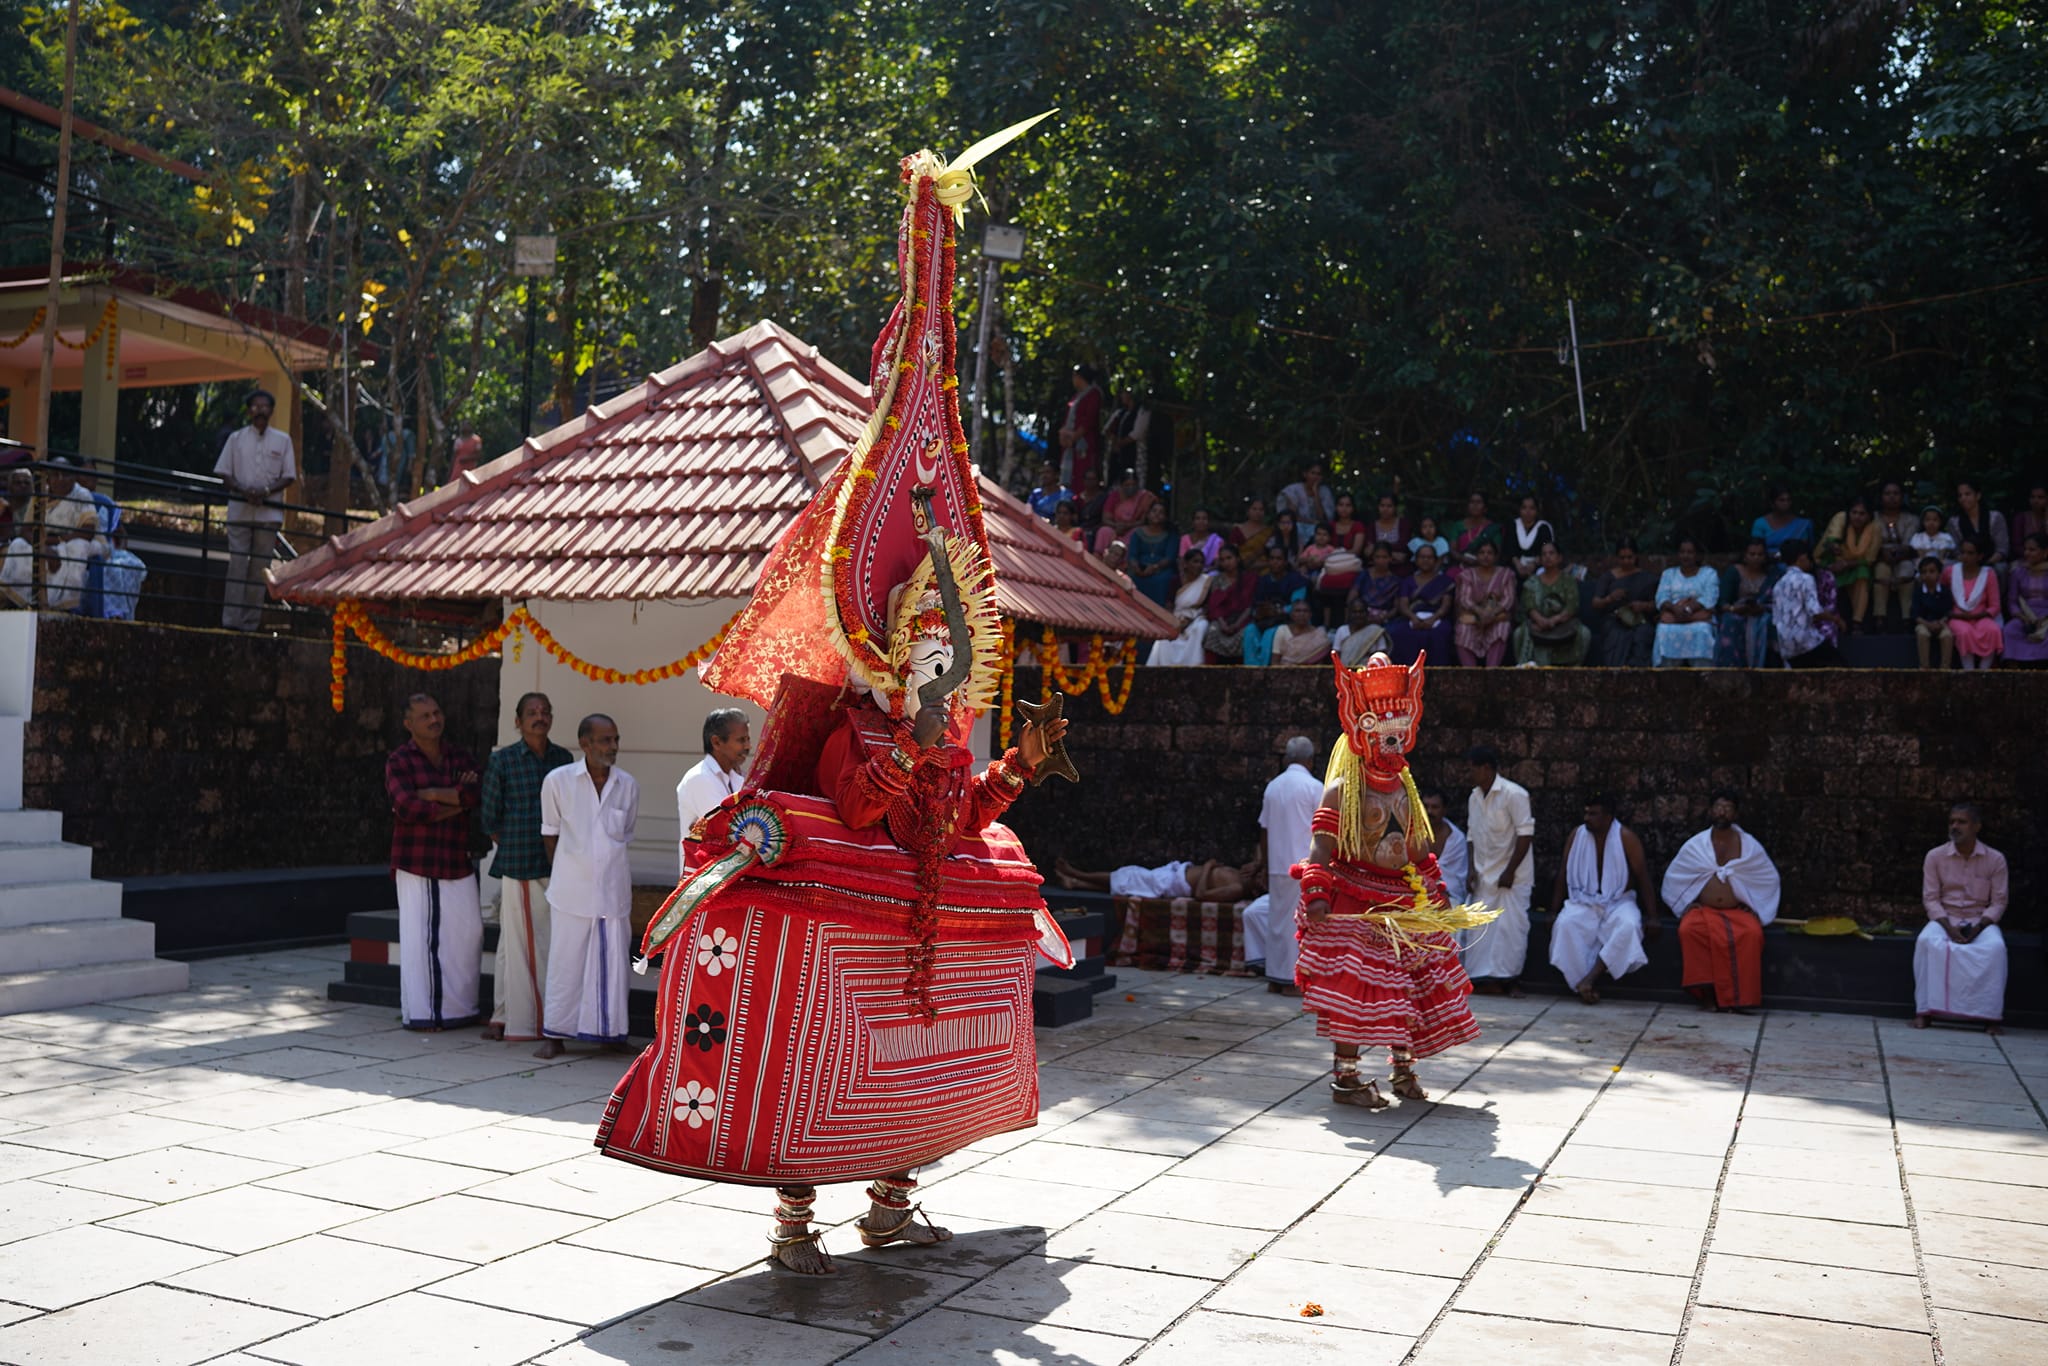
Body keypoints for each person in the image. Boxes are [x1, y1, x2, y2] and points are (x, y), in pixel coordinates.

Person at [598, 142, 1068, 1277]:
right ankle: (795, 1219)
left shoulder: (939, 733)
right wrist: (906, 743)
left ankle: (892, 1202)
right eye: (924, 648)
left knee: (910, 1085)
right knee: (807, 1072)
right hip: (843, 942)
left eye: (949, 653)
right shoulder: (859, 727)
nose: (938, 668)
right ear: (885, 645)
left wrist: (1011, 778)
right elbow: (862, 808)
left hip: (918, 948)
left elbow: (951, 825)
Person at [1293, 651, 1484, 1108]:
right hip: (1355, 896)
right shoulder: (1342, 789)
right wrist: (1317, 892)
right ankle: (1347, 1077)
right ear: (1362, 731)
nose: (1392, 742)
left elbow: (1418, 847)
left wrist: (1435, 892)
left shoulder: (1406, 786)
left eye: (1400, 732)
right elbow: (1321, 846)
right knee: (1356, 991)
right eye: (1384, 731)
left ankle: (1403, 1071)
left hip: (1404, 900)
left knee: (1409, 990)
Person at [536, 714, 639, 1058]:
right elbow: (549, 834)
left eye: (615, 739)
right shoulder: (558, 781)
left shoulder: (627, 785)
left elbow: (623, 835)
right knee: (565, 964)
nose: (612, 747)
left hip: (613, 892)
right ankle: (555, 1035)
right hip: (570, 892)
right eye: (605, 740)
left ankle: (612, 1034)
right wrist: (568, 871)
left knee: (614, 967)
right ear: (585, 744)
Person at [479, 692, 574, 1043]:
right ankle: (523, 1021)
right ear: (517, 722)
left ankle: (503, 1015)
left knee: (528, 942)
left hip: (555, 863)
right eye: (532, 713)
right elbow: (489, 817)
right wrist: (517, 842)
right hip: (519, 864)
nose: (540, 717)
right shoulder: (503, 761)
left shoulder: (562, 759)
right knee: (520, 945)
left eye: (545, 712)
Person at [385, 694, 484, 1031]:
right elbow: (409, 808)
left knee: (468, 933)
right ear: (408, 724)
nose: (433, 719)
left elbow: (474, 795)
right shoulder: (399, 761)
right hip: (417, 860)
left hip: (456, 856)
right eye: (425, 715)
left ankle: (461, 1010)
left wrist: (430, 793)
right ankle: (424, 1015)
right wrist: (453, 799)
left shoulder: (459, 755)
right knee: (421, 939)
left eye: (437, 712)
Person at [1663, 789, 1781, 1011]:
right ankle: (1706, 996)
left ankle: (1738, 999)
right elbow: (1675, 877)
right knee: (1688, 930)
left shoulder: (1749, 846)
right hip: (1703, 910)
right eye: (1718, 807)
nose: (1722, 812)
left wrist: (1755, 904)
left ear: (1735, 814)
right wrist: (1687, 903)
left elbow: (1767, 877)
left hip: (1736, 911)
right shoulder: (1696, 845)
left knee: (1752, 934)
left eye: (1727, 808)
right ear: (1710, 811)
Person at [1548, 794, 1659, 1003]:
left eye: (1593, 814)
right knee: (1565, 924)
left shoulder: (1626, 838)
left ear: (1608, 817)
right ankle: (1581, 984)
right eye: (1586, 813)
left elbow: (1643, 877)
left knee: (1629, 926)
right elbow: (1563, 873)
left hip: (1620, 901)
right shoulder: (1576, 836)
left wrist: (1653, 916)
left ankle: (1590, 979)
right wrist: (1552, 911)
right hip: (1584, 900)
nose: (1587, 818)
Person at [1914, 802, 2008, 1032]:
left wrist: (1977, 929)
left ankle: (1991, 1017)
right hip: (1946, 917)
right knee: (1926, 942)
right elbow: (1931, 899)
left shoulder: (1995, 859)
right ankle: (1925, 1012)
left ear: (1976, 826)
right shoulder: (1935, 856)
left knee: (1995, 948)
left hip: (1980, 920)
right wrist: (1948, 927)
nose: (1955, 826)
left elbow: (1999, 902)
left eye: (1962, 822)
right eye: (1952, 821)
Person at [213, 389, 296, 631]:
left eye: (264, 406)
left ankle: (250, 622)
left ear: (271, 411)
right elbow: (224, 473)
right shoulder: (236, 439)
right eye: (256, 406)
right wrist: (243, 491)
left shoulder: (283, 441)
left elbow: (289, 476)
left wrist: (266, 491)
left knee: (260, 568)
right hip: (240, 511)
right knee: (237, 564)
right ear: (249, 410)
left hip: (268, 514)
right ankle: (231, 622)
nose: (260, 410)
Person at [1253, 735, 1322, 993]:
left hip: (1277, 864)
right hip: (1303, 865)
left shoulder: (1273, 787)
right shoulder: (1314, 787)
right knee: (1298, 924)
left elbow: (1264, 829)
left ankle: (1275, 977)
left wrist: (1263, 863)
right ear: (1310, 761)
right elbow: (1323, 831)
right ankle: (1293, 981)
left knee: (1277, 922)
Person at [1463, 745, 1533, 993]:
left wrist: (1510, 871)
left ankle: (1509, 981)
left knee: (1509, 930)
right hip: (1483, 873)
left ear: (1486, 768)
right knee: (1480, 928)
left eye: (1472, 769)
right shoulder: (1474, 797)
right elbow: (1471, 836)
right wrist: (1471, 869)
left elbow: (1525, 835)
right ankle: (1483, 980)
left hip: (1511, 876)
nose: (1468, 774)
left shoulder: (1514, 795)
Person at [677, 708, 752, 858]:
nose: (748, 746)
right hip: (705, 874)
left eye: (748, 739)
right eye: (741, 740)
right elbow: (729, 830)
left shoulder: (737, 775)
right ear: (716, 742)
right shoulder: (699, 778)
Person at [1512, 541, 1590, 666]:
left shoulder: (1568, 580)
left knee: (1584, 633)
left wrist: (1554, 620)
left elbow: (1572, 606)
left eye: (1551, 553)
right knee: (1518, 634)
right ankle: (1526, 669)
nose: (1547, 557)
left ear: (1559, 558)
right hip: (1537, 625)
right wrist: (1541, 620)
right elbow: (1529, 605)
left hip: (1563, 625)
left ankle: (1574, 669)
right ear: (1540, 559)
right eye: (1544, 554)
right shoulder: (1532, 582)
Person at [1054, 855, 1263, 901]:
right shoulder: (1243, 875)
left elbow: (1201, 895)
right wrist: (1254, 867)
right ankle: (1076, 883)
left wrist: (1207, 868)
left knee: (1129, 876)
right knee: (1127, 884)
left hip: (1173, 884)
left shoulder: (1236, 888)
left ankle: (1076, 874)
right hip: (1174, 873)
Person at [1773, 539, 1845, 668]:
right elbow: (1815, 612)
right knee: (1839, 669)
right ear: (1802, 557)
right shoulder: (1806, 578)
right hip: (1807, 642)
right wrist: (1836, 619)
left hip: (1786, 646)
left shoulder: (1778, 585)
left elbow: (1776, 618)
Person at [1588, 538, 1658, 667]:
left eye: (1629, 557)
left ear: (1636, 556)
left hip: (1640, 620)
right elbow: (1595, 603)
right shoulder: (1608, 577)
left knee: (1642, 634)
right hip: (1614, 621)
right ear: (1617, 558)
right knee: (1616, 635)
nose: (1626, 561)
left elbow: (1657, 604)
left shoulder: (1647, 578)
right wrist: (1610, 598)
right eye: (1622, 557)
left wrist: (1643, 606)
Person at [1713, 538, 1779, 668]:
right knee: (1730, 621)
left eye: (1760, 555)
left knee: (1771, 624)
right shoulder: (1734, 572)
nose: (1756, 558)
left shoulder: (1772, 575)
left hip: (1761, 615)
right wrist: (1734, 609)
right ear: (1745, 556)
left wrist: (1761, 608)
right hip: (1736, 613)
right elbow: (1723, 602)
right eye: (1752, 554)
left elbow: (1775, 602)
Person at [1653, 538, 1719, 667]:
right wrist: (1675, 609)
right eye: (1682, 552)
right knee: (1663, 630)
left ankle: (1703, 675)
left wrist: (1688, 609)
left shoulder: (1709, 574)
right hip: (1677, 613)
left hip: (1696, 618)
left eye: (1690, 552)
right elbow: (1661, 597)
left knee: (1703, 630)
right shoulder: (1668, 574)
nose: (1686, 555)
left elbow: (1709, 599)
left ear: (1697, 555)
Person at [1388, 542, 1455, 665]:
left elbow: (1446, 605)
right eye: (1422, 557)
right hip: (1411, 618)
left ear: (1435, 560)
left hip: (1436, 618)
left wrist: (1433, 619)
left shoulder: (1444, 581)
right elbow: (1403, 605)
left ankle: (1439, 673)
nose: (1426, 560)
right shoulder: (1408, 581)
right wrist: (1413, 618)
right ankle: (1406, 674)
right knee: (1397, 632)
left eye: (1429, 557)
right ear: (1416, 560)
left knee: (1442, 633)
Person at [1454, 539, 1517, 667]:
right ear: (1477, 555)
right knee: (1463, 629)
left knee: (1502, 628)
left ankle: (1492, 671)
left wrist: (1491, 613)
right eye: (1482, 553)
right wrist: (1481, 612)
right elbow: (1465, 599)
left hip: (1496, 617)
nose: (1486, 556)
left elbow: (1508, 599)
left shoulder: (1506, 574)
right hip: (1474, 617)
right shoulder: (1467, 575)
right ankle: (1470, 674)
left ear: (1495, 556)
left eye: (1489, 553)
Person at [1146, 549, 1213, 666]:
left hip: (1196, 617)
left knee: (1201, 627)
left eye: (1201, 562)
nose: (1199, 565)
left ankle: (1195, 664)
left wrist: (1191, 620)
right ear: (1186, 564)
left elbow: (1207, 607)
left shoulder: (1206, 582)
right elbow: (1169, 605)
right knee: (1164, 637)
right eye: (1195, 561)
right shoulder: (1176, 581)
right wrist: (1175, 622)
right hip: (1177, 617)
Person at [1945, 536, 2003, 669]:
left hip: (1981, 616)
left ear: (1980, 556)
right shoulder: (1950, 572)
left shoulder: (1988, 574)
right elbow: (1942, 598)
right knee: (1964, 632)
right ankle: (1969, 671)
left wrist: (1976, 616)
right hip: (1957, 617)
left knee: (1992, 630)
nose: (1965, 556)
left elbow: (1995, 606)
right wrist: (1955, 615)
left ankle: (1983, 671)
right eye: (1963, 552)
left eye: (1970, 553)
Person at [1828, 497, 1880, 630]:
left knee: (1862, 574)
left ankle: (1857, 621)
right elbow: (1831, 540)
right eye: (1854, 512)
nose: (1857, 517)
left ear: (1869, 516)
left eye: (1862, 514)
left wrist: (1847, 564)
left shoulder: (1875, 528)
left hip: (1857, 565)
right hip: (1834, 562)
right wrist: (1835, 548)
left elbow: (1869, 559)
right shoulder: (1842, 520)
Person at [1199, 543, 1257, 662]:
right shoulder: (1217, 579)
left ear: (1238, 559)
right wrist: (1223, 624)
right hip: (1222, 620)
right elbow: (1214, 606)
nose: (1226, 562)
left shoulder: (1250, 578)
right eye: (1222, 560)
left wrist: (1237, 624)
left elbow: (1250, 605)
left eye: (1229, 558)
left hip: (1243, 619)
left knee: (1245, 633)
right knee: (1212, 632)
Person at [1872, 481, 1916, 628]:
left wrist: (1899, 554)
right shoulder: (1873, 518)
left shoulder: (1911, 519)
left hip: (1904, 557)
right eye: (1888, 493)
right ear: (1881, 497)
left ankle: (1906, 618)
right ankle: (1879, 618)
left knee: (1907, 568)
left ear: (1902, 497)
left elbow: (1909, 544)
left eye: (1896, 494)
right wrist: (1881, 553)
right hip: (1880, 557)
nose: (1892, 497)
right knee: (1881, 571)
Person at [1949, 481, 2009, 582]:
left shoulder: (1995, 517)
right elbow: (1955, 550)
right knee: (1948, 566)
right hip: (1965, 561)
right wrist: (1969, 562)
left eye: (1967, 494)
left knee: (2001, 569)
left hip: (1991, 561)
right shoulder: (1954, 521)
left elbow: (2002, 549)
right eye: (1960, 495)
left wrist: (1986, 564)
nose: (1963, 498)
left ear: (1978, 496)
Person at [2002, 533, 2048, 665]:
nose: (2027, 553)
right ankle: (2015, 671)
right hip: (2025, 615)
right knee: (2010, 630)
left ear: (2045, 552)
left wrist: (2044, 618)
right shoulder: (2018, 571)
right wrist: (2022, 617)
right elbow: (2012, 601)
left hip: (2046, 617)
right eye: (2026, 549)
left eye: (2032, 550)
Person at [1059, 364, 1105, 491]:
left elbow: (1089, 420)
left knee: (1082, 475)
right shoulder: (1076, 396)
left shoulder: (1093, 394)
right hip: (1069, 445)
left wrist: (1073, 437)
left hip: (1083, 444)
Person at [1092, 468, 1156, 555]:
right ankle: (1099, 560)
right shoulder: (1114, 496)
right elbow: (1106, 518)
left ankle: (1125, 563)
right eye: (1127, 485)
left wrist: (1127, 526)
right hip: (1115, 528)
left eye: (1133, 484)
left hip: (1133, 528)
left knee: (1136, 533)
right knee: (1104, 531)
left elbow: (1144, 521)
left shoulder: (1145, 498)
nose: (1131, 487)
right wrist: (1117, 526)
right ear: (1121, 485)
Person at [1125, 500, 1177, 605]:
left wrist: (1155, 567)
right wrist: (1136, 568)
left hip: (1161, 570)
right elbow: (1132, 555)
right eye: (1154, 511)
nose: (1157, 514)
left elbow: (1170, 557)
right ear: (1148, 514)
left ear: (1165, 517)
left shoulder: (1171, 535)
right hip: (1140, 568)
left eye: (1161, 512)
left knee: (1162, 581)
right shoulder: (1137, 533)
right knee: (1131, 579)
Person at [1911, 556, 1956, 670]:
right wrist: (1928, 624)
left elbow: (1948, 611)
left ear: (1939, 573)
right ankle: (1924, 668)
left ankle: (1945, 669)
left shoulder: (1945, 591)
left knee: (1947, 635)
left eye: (1932, 571)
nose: (1928, 575)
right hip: (1924, 623)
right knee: (1922, 634)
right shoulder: (1918, 592)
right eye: (1924, 572)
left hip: (1941, 623)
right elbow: (1915, 615)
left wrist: (1940, 623)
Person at [1422, 790, 1468, 904]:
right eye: (1425, 806)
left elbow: (1457, 879)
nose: (1429, 811)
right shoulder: (1411, 833)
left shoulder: (1457, 839)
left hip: (1449, 896)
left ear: (1444, 810)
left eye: (1435, 807)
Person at [1751, 487, 1814, 563]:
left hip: (1795, 566)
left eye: (1788, 500)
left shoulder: (1801, 525)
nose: (1786, 503)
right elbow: (1755, 548)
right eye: (1781, 500)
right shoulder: (1760, 523)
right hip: (1767, 566)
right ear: (1772, 503)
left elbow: (1802, 550)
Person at [1276, 460, 1336, 536]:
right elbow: (1291, 518)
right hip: (1297, 530)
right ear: (1305, 474)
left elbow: (1323, 520)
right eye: (1313, 473)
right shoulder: (1293, 490)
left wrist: (1316, 493)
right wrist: (1310, 522)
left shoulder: (1325, 491)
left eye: (1318, 474)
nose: (1315, 477)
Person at [1104, 388, 1151, 482]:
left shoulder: (1142, 412)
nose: (1123, 396)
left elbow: (1137, 433)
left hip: (1134, 454)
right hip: (1117, 455)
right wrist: (1113, 440)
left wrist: (1120, 443)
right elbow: (1107, 429)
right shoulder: (1120, 413)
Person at [1450, 492, 1503, 571]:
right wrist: (1463, 558)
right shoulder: (1458, 526)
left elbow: (1497, 554)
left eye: (1479, 502)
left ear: (1485, 508)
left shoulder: (1492, 529)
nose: (1475, 505)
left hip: (1486, 570)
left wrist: (1481, 561)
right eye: (1472, 502)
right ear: (1467, 506)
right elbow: (1453, 550)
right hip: (1461, 568)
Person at [1270, 597, 1331, 665]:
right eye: (1297, 611)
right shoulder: (1282, 630)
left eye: (1305, 611)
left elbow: (1321, 664)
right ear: (1291, 614)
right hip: (1286, 673)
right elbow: (1275, 661)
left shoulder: (1319, 635)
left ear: (1310, 615)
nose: (1301, 614)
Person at [1332, 597, 1392, 666]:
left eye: (1361, 612)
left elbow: (1382, 656)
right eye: (1355, 612)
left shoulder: (1375, 631)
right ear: (1349, 614)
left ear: (1367, 613)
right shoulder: (1342, 631)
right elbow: (1336, 656)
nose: (1358, 615)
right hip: (1345, 673)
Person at [1507, 496, 1553, 579]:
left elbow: (1546, 548)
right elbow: (1509, 549)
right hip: (1515, 566)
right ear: (1519, 510)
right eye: (1524, 508)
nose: (1528, 512)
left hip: (1538, 566)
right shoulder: (1513, 525)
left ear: (1537, 511)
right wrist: (1518, 565)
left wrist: (1533, 564)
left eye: (1532, 508)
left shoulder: (1543, 528)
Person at [1368, 494, 1410, 569]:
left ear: (1395, 507)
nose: (1385, 509)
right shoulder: (1372, 525)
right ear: (1378, 507)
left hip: (1399, 568)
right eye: (1382, 505)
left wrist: (1379, 549)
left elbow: (1403, 548)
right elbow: (1368, 551)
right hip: (1376, 568)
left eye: (1389, 506)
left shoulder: (1403, 524)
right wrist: (1394, 553)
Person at [1230, 496, 1274, 564]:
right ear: (1248, 511)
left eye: (1261, 509)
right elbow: (1232, 553)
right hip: (1242, 569)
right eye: (1254, 509)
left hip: (1266, 568)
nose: (1258, 512)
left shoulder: (1269, 532)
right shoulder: (1238, 531)